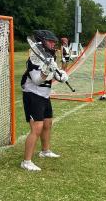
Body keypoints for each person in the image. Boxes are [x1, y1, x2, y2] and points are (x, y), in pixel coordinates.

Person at [20, 30, 69, 171]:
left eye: (54, 41)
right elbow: (36, 80)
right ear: (41, 42)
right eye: (50, 41)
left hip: (44, 95)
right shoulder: (33, 59)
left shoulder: (49, 57)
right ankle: (26, 161)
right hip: (33, 94)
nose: (53, 43)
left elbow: (55, 74)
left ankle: (45, 151)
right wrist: (46, 72)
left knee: (48, 124)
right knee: (37, 128)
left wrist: (61, 76)